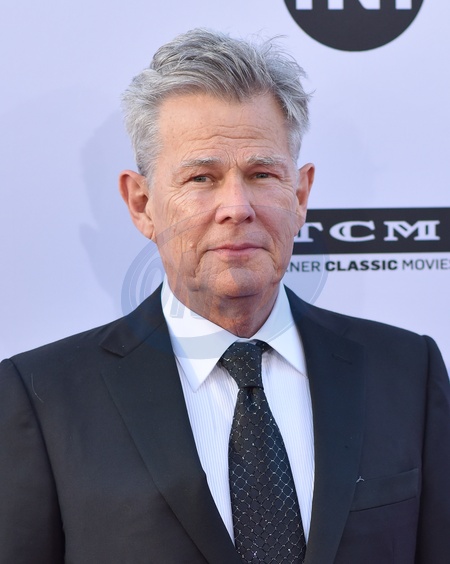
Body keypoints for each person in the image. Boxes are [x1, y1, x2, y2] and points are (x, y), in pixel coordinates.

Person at [0, 28, 449, 564]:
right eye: (201, 178)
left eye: (262, 173)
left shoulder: (408, 370)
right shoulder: (42, 397)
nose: (237, 206)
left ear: (300, 194)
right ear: (142, 204)